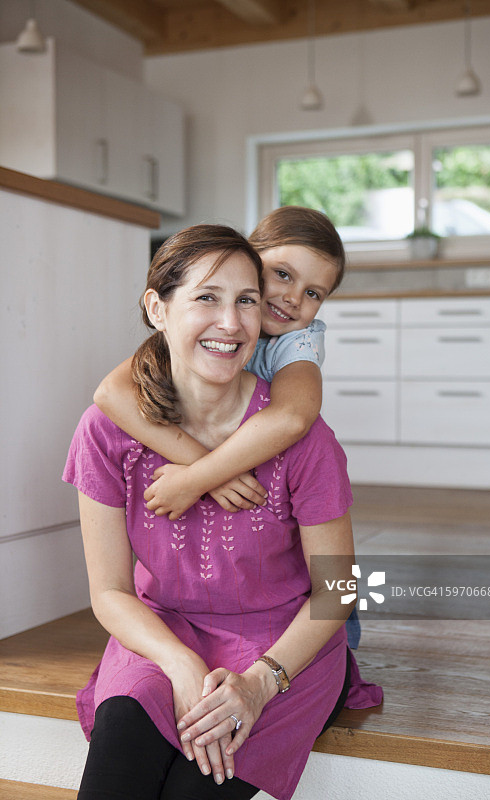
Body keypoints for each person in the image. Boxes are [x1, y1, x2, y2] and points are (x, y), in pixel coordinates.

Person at [63, 224, 382, 800]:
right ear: (157, 309)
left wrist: (259, 685)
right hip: (164, 636)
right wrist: (179, 663)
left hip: (282, 649)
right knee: (116, 778)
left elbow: (336, 591)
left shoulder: (305, 437)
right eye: (207, 297)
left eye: (246, 301)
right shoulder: (107, 431)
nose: (231, 323)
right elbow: (109, 593)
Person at [94, 206, 360, 648]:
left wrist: (197, 478)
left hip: (288, 520)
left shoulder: (298, 341)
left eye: (315, 292)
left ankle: (338, 649)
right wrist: (212, 473)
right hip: (224, 540)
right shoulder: (204, 321)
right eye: (282, 274)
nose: (294, 298)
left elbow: (294, 416)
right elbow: (110, 393)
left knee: (327, 593)